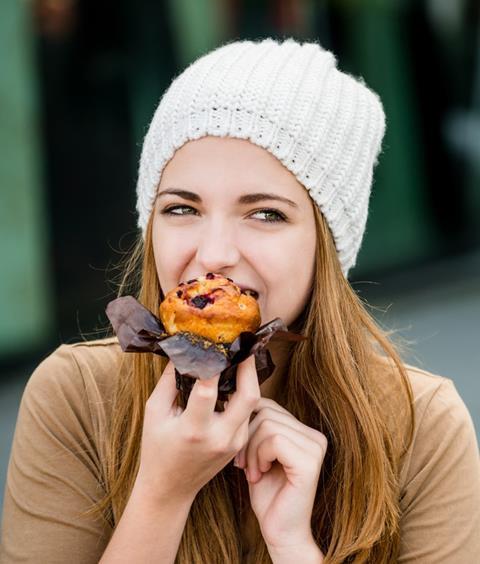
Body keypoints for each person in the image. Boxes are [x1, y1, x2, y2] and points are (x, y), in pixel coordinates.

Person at [1, 37, 479, 564]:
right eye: (182, 208)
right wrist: (163, 494)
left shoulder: (419, 426)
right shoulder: (76, 398)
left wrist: (293, 547)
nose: (214, 254)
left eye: (266, 213)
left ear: (327, 244)